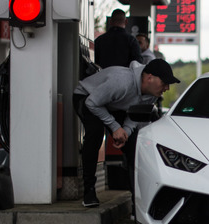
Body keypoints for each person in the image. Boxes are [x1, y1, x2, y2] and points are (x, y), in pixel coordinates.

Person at [73, 59, 180, 207]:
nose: (167, 88)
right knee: (95, 133)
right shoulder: (121, 81)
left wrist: (126, 133)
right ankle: (89, 191)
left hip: (113, 105)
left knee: (134, 146)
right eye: (164, 83)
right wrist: (115, 126)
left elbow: (135, 114)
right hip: (86, 97)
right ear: (149, 77)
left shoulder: (152, 94)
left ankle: (137, 203)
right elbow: (92, 102)